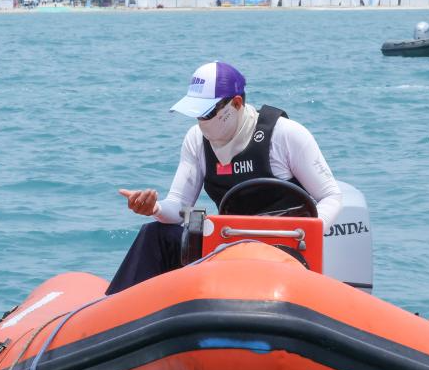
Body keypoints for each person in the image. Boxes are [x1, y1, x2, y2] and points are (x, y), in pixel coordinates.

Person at [108, 61, 342, 295]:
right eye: (196, 114)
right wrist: (155, 208)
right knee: (155, 234)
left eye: (208, 113)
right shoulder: (195, 141)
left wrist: (307, 232)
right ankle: (118, 308)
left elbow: (331, 196)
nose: (201, 121)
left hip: (285, 252)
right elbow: (179, 206)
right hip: (228, 249)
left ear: (236, 104)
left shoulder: (285, 134)